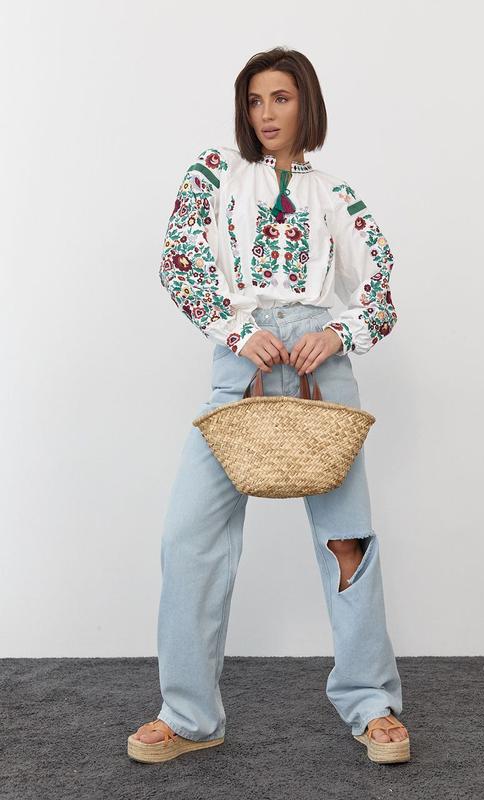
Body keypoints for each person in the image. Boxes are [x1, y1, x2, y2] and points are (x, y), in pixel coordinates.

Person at [128, 46, 410, 766]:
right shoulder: (215, 173)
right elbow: (180, 261)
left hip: (320, 369)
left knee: (347, 542)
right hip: (242, 366)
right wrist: (235, 329)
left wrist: (338, 332)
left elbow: (379, 290)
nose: (265, 114)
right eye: (254, 101)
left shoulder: (337, 195)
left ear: (305, 103)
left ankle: (372, 704)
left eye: (280, 98)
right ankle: (188, 715)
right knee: (188, 538)